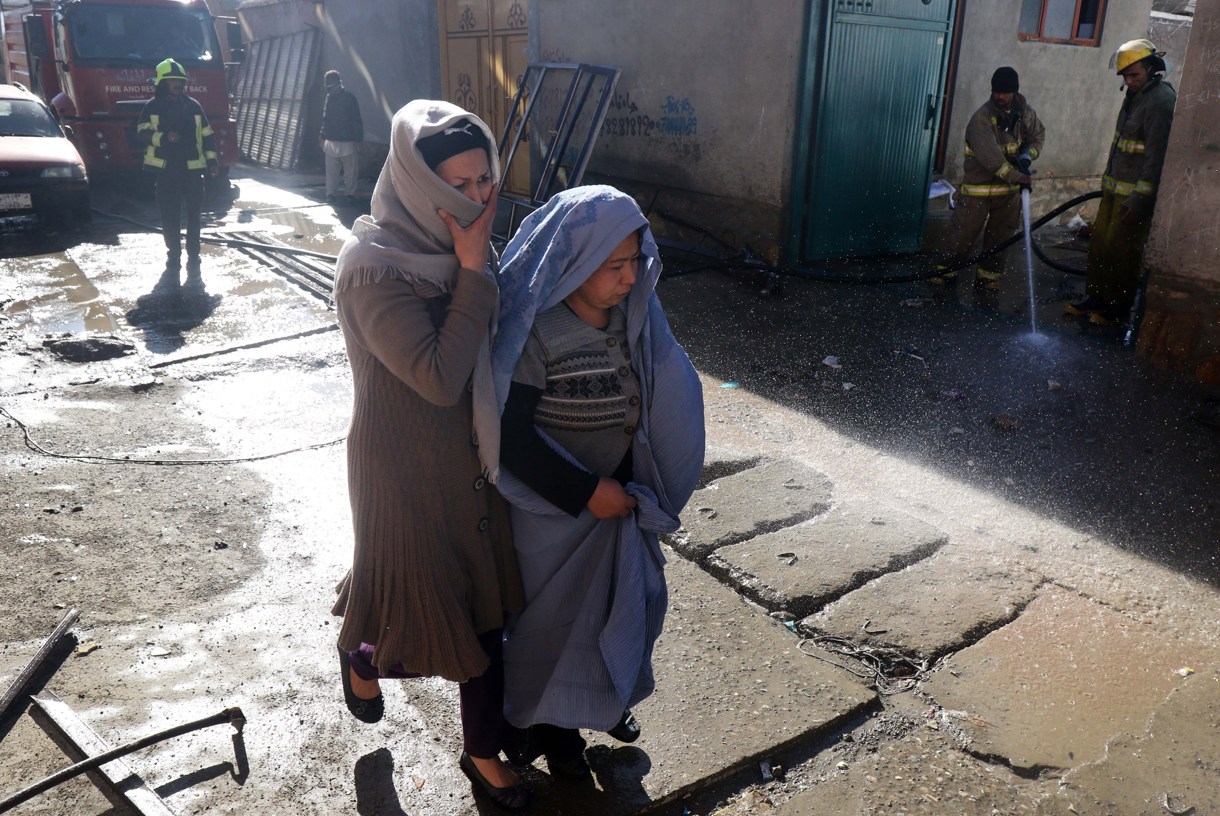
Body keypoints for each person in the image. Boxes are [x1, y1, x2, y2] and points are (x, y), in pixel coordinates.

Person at [330, 99, 530, 811]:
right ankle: (359, 659)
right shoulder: (374, 269)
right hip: (401, 472)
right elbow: (441, 379)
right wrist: (474, 271)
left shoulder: (461, 251)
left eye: (486, 181)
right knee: (402, 597)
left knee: (483, 608)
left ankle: (482, 752)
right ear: (419, 185)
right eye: (461, 185)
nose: (478, 200)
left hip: (470, 463)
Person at [491, 186, 706, 778]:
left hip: (620, 506)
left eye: (636, 260)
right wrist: (587, 492)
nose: (630, 277)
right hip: (555, 515)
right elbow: (511, 437)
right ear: (573, 264)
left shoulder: (634, 322)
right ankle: (554, 727)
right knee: (557, 626)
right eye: (614, 267)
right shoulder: (537, 335)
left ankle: (605, 702)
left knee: (622, 608)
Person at [1065, 39, 1177, 326]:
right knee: (1101, 245)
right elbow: (1120, 146)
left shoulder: (1160, 101)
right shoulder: (1134, 97)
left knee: (1123, 252)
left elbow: (1157, 155)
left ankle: (1116, 308)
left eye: (1134, 75)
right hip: (1114, 191)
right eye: (1125, 76)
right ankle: (1096, 298)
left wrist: (1141, 198)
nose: (1129, 81)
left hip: (1133, 198)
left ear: (1152, 69)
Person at [936, 67, 1045, 289]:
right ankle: (946, 272)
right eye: (996, 91)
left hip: (1007, 192)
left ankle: (989, 276)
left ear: (1014, 92)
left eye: (1005, 92)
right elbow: (991, 158)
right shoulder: (982, 119)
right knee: (964, 232)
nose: (1000, 96)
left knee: (1001, 235)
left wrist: (1027, 154)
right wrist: (1018, 176)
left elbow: (1038, 136)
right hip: (978, 188)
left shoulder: (1025, 114)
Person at [136, 58, 219, 280]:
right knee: (169, 217)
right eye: (172, 80)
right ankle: (174, 256)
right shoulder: (152, 107)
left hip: (192, 171)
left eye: (180, 80)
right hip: (166, 172)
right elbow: (141, 133)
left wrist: (212, 162)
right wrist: (163, 138)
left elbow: (207, 135)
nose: (177, 84)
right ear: (162, 82)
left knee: (194, 216)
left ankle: (194, 254)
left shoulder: (193, 106)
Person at [319, 70, 363, 203]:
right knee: (340, 171)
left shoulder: (347, 98)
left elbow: (356, 120)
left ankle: (344, 193)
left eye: (329, 85)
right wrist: (322, 135)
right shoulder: (336, 98)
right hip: (336, 139)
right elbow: (325, 119)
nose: (328, 88)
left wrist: (358, 139)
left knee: (345, 170)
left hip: (344, 140)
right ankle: (339, 193)